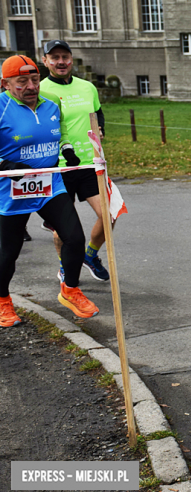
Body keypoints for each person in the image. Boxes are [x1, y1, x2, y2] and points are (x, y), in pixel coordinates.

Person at [0, 55, 99, 326]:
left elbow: (61, 131)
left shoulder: (51, 104)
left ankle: (70, 290)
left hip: (48, 183)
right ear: (5, 84)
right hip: (11, 189)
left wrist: (67, 150)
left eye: (34, 80)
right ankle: (2, 302)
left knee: (75, 238)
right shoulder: (1, 107)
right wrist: (6, 163)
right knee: (8, 251)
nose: (32, 87)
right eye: (22, 82)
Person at [39, 39, 110, 283]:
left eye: (65, 57)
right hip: (58, 167)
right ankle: (65, 266)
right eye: (55, 57)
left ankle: (89, 255)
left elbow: (97, 112)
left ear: (71, 59)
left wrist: (100, 127)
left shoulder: (87, 87)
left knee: (109, 215)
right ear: (45, 60)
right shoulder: (40, 91)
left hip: (90, 163)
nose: (61, 62)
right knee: (62, 227)